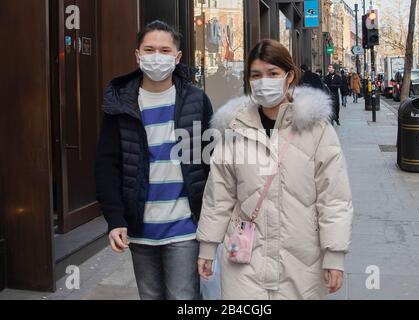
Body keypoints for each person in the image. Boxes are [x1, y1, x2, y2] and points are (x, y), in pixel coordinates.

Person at [196, 39, 353, 300]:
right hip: (243, 261)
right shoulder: (233, 129)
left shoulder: (316, 129)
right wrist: (207, 247)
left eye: (272, 74)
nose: (263, 81)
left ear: (289, 76)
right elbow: (218, 196)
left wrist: (334, 255)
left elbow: (334, 197)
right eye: (256, 75)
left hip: (301, 262)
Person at [95, 20, 214, 300]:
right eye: (149, 49)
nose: (156, 56)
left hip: (185, 227)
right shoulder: (120, 104)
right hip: (140, 230)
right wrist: (115, 219)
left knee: (183, 297)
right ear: (137, 54)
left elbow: (211, 165)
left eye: (164, 50)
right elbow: (106, 165)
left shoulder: (196, 100)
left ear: (177, 57)